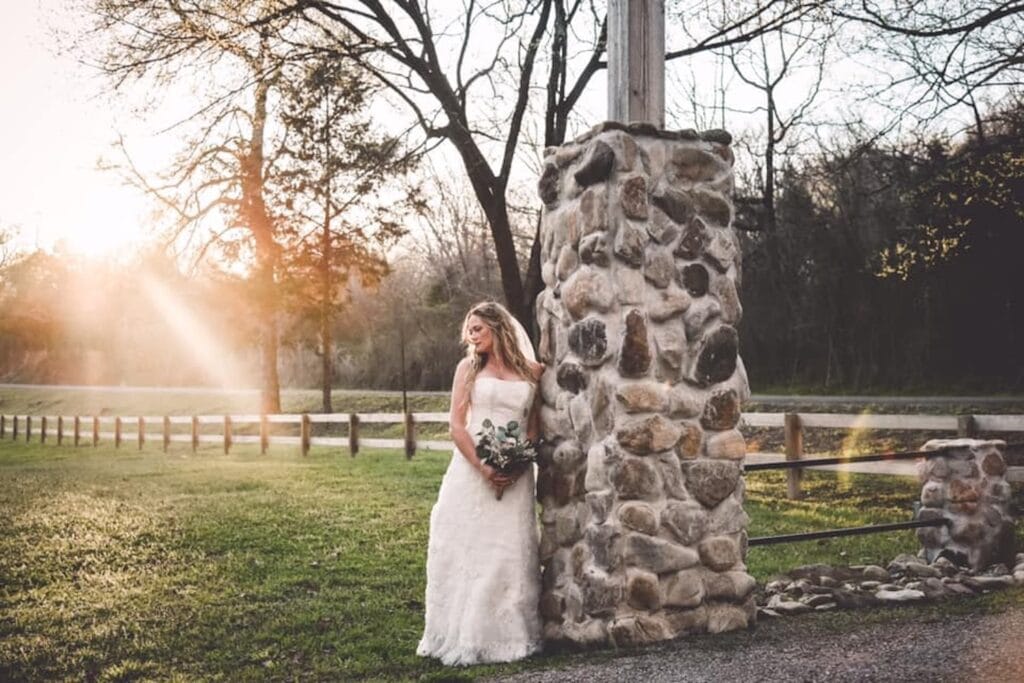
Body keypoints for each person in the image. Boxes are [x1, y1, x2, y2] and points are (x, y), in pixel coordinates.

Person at [416, 301, 544, 666]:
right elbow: (457, 426)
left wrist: (521, 461)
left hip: (517, 473)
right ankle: (462, 631)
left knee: (508, 551)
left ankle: (512, 635)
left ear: (498, 328)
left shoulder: (532, 372)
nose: (471, 336)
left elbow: (533, 424)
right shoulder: (467, 370)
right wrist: (485, 468)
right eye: (469, 330)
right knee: (467, 549)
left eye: (478, 329)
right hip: (472, 469)